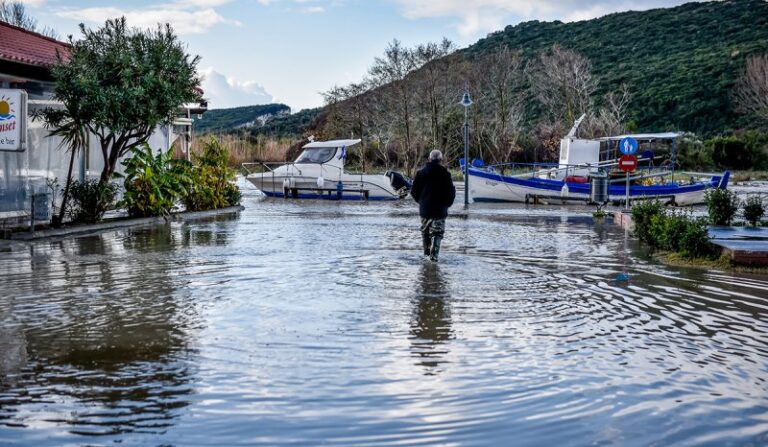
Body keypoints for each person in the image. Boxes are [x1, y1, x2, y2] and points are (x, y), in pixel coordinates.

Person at [410, 149, 456, 262]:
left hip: (425, 210)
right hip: (439, 210)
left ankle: (426, 257)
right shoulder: (445, 174)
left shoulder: (420, 173)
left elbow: (413, 191)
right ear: (441, 160)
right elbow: (451, 193)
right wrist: (447, 205)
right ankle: (434, 258)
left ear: (429, 159)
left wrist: (421, 202)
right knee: (437, 233)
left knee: (425, 233)